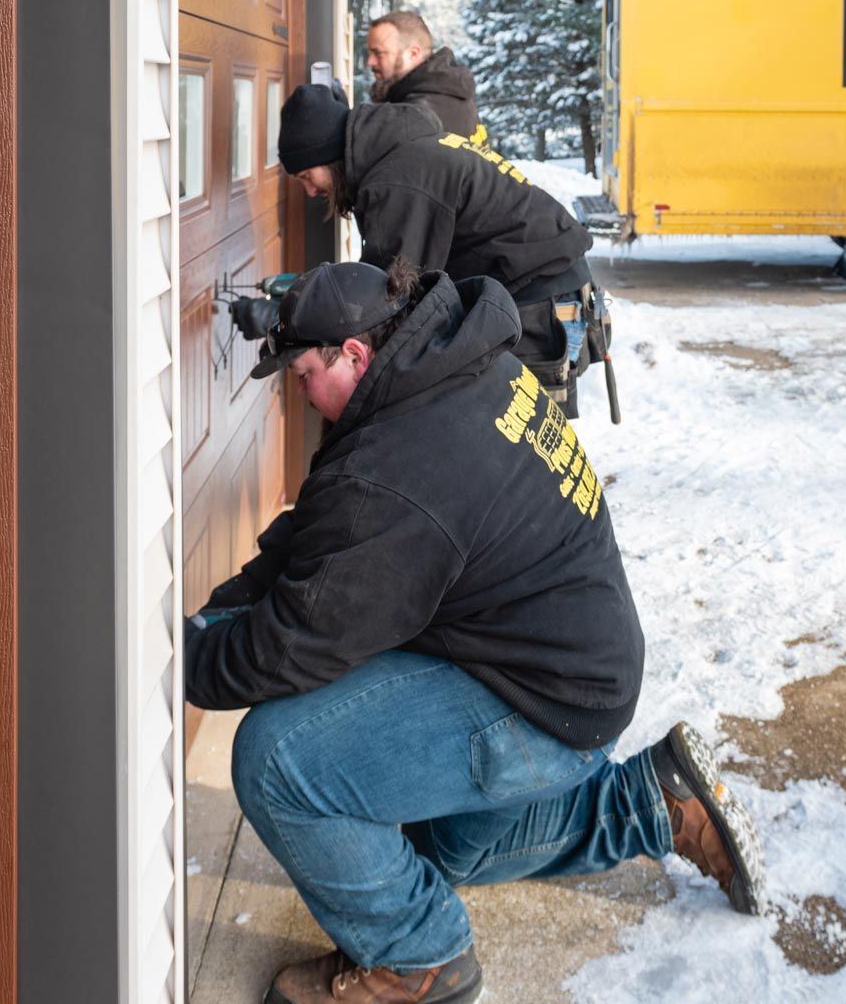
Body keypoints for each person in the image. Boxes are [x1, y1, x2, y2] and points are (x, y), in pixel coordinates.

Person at [184, 258, 765, 1004]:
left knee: (280, 761)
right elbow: (325, 536)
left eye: (303, 373)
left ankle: (421, 960)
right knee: (438, 847)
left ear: (355, 354)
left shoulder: (401, 468)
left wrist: (177, 658)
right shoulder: (444, 369)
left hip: (540, 698)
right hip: (566, 665)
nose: (298, 391)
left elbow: (295, 640)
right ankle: (652, 804)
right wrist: (223, 609)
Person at [277, 82, 606, 416]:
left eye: (307, 175)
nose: (309, 190)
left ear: (330, 156)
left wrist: (299, 328)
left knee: (514, 445)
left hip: (540, 304)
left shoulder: (396, 180)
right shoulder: (404, 153)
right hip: (546, 293)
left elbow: (386, 307)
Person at [364, 10, 482, 140]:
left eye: (379, 53)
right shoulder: (451, 94)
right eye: (369, 53)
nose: (370, 62)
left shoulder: (419, 113)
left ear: (413, 54)